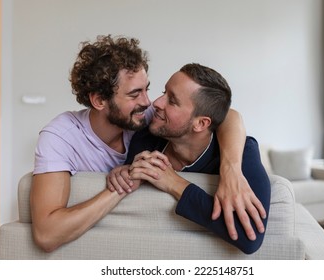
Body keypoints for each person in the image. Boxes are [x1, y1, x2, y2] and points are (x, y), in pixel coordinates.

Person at [30, 35, 264, 252]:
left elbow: (226, 115)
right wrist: (124, 183)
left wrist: (231, 169)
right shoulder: (63, 137)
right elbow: (47, 234)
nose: (150, 102)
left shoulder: (148, 122)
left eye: (147, 89)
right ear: (100, 100)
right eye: (134, 94)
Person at [107, 63, 271, 253]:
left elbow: (249, 239)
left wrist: (174, 183)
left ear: (201, 123)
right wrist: (123, 170)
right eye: (163, 92)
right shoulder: (145, 137)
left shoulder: (244, 154)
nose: (156, 103)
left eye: (172, 101)